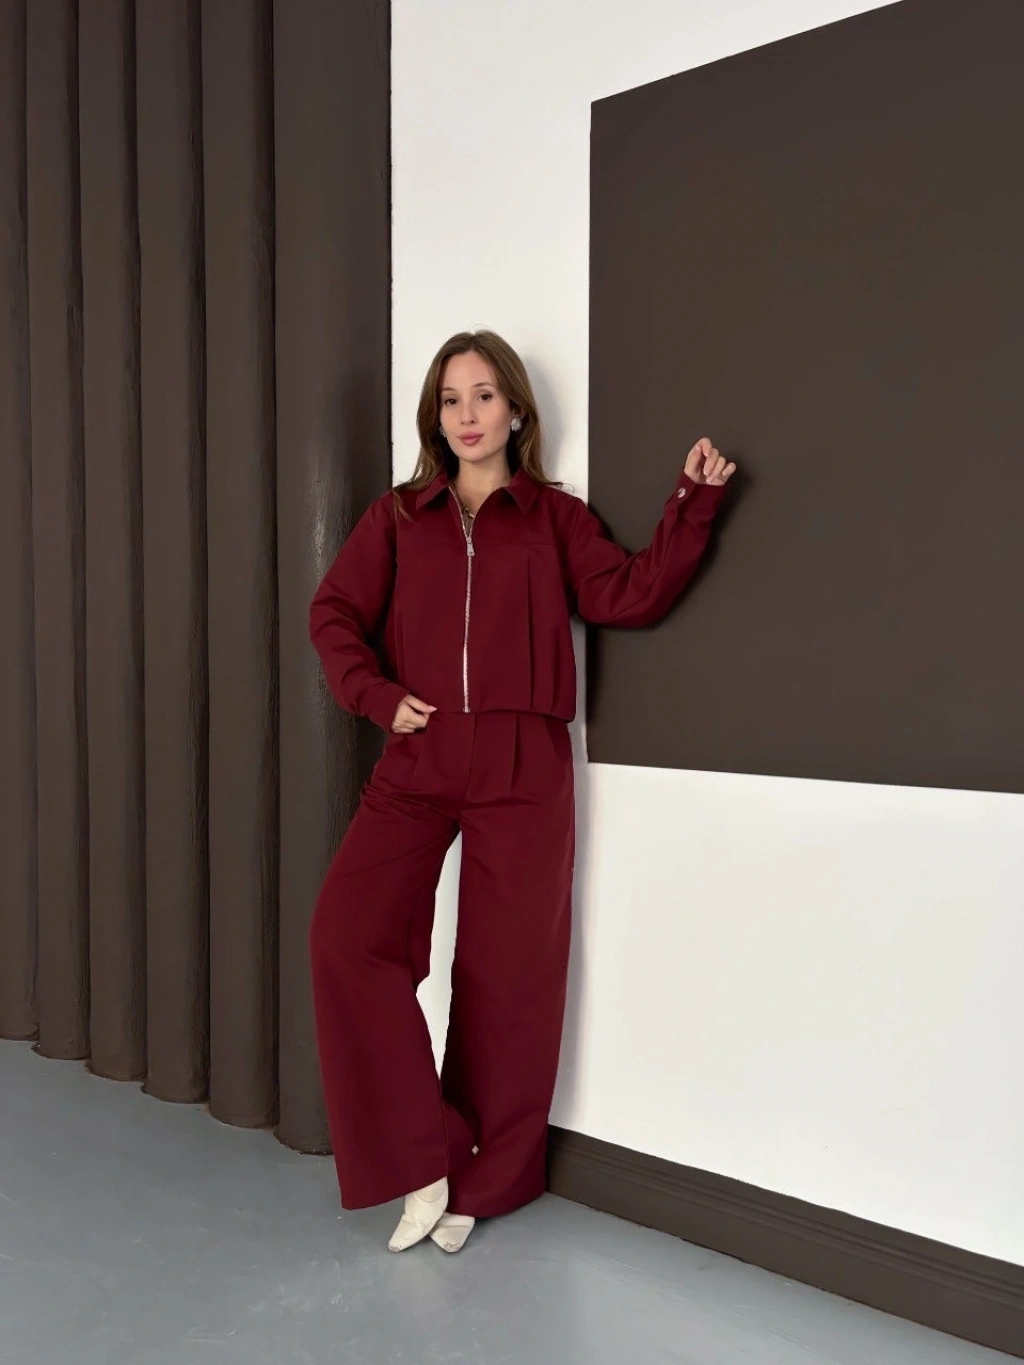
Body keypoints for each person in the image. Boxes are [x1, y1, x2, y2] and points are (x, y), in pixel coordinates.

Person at [308, 329, 735, 1255]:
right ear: (435, 417)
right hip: (420, 757)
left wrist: (691, 504)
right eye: (451, 399)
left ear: (515, 412)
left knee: (508, 981)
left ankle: (483, 1178)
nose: (467, 415)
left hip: (523, 763)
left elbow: (629, 594)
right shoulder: (399, 517)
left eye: (485, 395)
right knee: (345, 936)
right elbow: (332, 612)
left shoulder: (554, 519)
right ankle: (422, 1153)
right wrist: (376, 695)